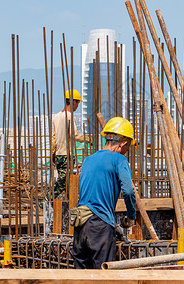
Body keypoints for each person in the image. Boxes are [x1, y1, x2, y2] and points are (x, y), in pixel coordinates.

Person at [73, 117, 137, 269]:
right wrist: (131, 216)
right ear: (123, 143)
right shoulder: (119, 160)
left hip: (80, 223)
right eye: (128, 147)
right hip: (100, 226)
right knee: (103, 273)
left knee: (80, 276)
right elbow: (128, 190)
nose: (126, 151)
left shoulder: (88, 160)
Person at [44, 89, 91, 203]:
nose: (77, 106)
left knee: (66, 183)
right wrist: (87, 139)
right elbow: (74, 135)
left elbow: (53, 139)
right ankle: (46, 200)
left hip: (59, 155)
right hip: (67, 156)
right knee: (64, 182)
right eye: (77, 103)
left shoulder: (56, 117)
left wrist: (53, 154)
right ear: (73, 102)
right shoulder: (70, 117)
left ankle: (69, 202)